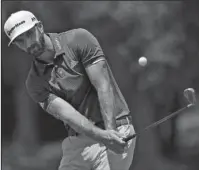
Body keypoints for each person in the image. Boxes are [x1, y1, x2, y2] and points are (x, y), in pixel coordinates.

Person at [4, 10, 136, 170]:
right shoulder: (34, 83)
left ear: (39, 26)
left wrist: (110, 133)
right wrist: (102, 136)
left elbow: (103, 85)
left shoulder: (78, 39)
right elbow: (70, 116)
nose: (27, 44)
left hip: (117, 127)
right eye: (20, 41)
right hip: (79, 142)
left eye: (29, 34)